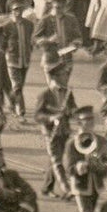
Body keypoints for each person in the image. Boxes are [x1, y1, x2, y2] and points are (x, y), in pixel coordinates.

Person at [62, 105, 107, 212]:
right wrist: (79, 167)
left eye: (91, 119)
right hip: (80, 186)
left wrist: (100, 166)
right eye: (86, 120)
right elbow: (69, 168)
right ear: (79, 123)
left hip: (95, 184)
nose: (90, 122)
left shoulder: (100, 140)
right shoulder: (71, 143)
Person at [34, 60, 77, 198]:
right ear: (55, 77)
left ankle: (47, 188)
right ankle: (67, 189)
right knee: (57, 161)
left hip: (64, 131)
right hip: (50, 133)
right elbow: (38, 115)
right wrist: (52, 118)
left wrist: (71, 112)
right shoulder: (45, 94)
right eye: (63, 75)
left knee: (54, 159)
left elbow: (73, 108)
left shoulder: (68, 93)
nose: (66, 77)